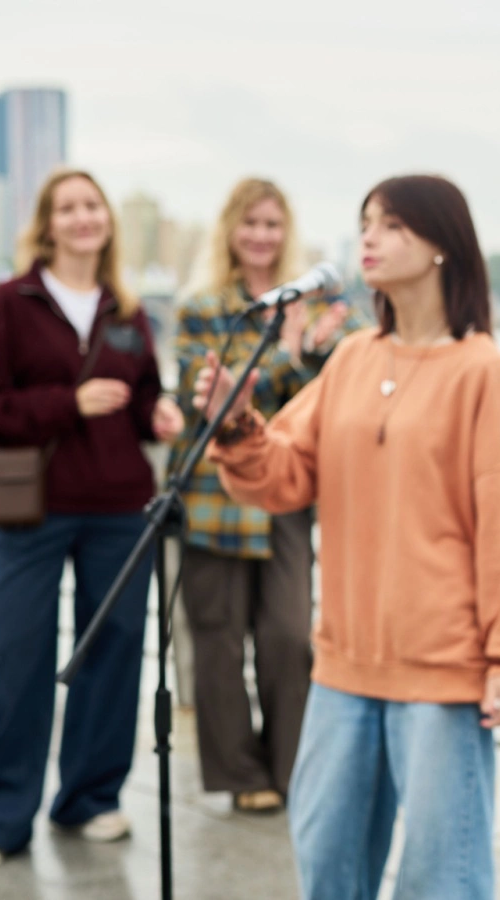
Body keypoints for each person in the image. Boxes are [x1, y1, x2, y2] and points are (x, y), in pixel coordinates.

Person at [195, 174, 500, 899]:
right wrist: (234, 423)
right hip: (343, 666)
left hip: (443, 672)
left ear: (442, 245)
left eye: (391, 225)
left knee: (442, 878)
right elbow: (280, 475)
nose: (369, 238)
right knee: (326, 864)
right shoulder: (351, 358)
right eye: (365, 223)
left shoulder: (481, 370)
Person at [0, 169, 185, 871]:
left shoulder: (127, 308)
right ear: (47, 225)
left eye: (93, 206)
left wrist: (160, 414)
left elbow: (141, 394)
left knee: (112, 654)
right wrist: (67, 404)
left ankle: (90, 797)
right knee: (17, 654)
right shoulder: (12, 302)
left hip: (119, 508)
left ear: (108, 220)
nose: (83, 218)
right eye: (68, 208)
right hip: (32, 509)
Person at [170, 178, 360, 814]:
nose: (261, 236)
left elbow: (341, 383)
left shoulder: (321, 304)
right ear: (229, 231)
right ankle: (239, 774)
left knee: (287, 635)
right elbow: (218, 399)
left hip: (284, 494)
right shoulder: (203, 308)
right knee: (217, 640)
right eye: (249, 223)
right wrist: (288, 352)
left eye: (273, 224)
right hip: (213, 495)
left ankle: (294, 766)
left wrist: (312, 348)